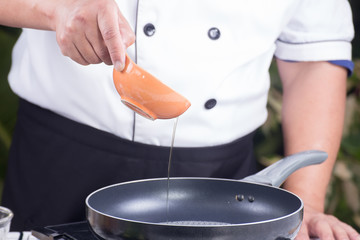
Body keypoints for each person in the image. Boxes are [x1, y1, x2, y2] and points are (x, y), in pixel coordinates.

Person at [0, 0, 359, 239]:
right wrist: (54, 8)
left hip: (225, 188)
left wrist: (306, 202)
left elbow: (314, 51)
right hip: (60, 164)